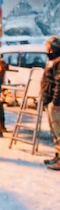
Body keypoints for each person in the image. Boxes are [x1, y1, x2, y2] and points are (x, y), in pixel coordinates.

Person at [40, 35, 60, 170]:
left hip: (55, 103)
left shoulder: (58, 61)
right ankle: (57, 156)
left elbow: (59, 83)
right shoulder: (52, 60)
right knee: (54, 132)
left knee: (59, 132)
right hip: (49, 101)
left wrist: (56, 102)